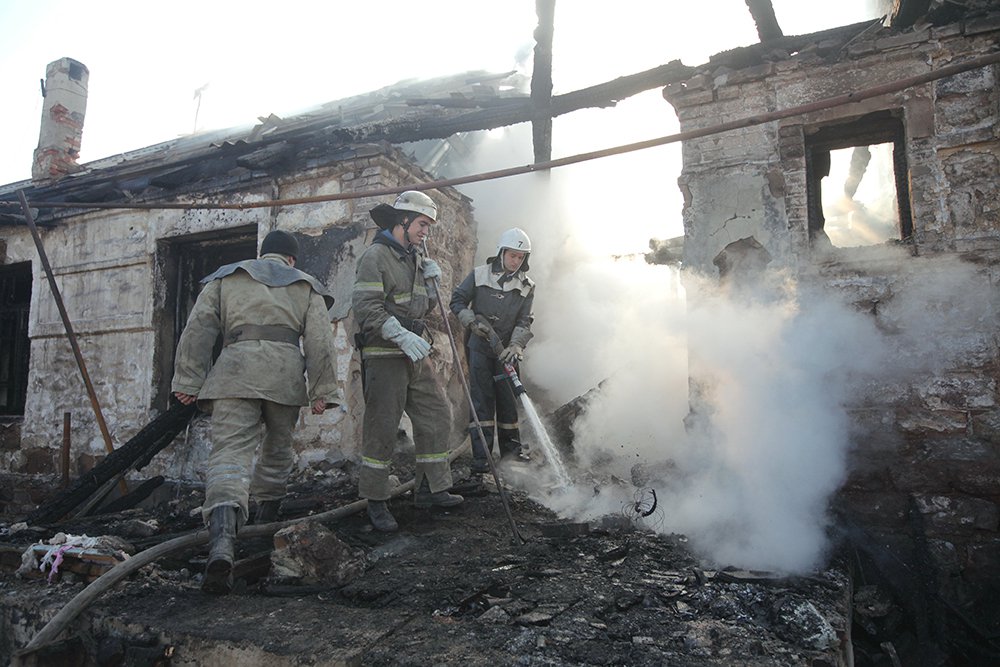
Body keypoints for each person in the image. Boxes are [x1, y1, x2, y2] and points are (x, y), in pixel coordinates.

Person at [171, 229, 343, 593]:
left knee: (229, 454)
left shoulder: (226, 277)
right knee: (277, 453)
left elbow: (198, 328)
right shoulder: (306, 285)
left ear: (262, 254)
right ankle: (262, 536)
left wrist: (188, 380)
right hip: (283, 378)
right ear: (291, 260)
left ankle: (222, 543)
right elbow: (319, 342)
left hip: (235, 373)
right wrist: (322, 390)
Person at [352, 190, 464, 533]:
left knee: (437, 413)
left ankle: (430, 488)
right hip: (385, 353)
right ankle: (377, 500)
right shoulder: (376, 257)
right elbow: (367, 308)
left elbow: (422, 309)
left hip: (415, 351)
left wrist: (432, 287)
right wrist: (399, 334)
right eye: (421, 224)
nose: (425, 232)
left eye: (427, 226)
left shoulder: (414, 259)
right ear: (402, 220)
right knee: (382, 426)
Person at [449, 228, 535, 474]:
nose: (516, 261)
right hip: (480, 349)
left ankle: (511, 456)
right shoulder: (479, 275)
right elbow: (457, 301)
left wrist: (516, 345)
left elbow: (524, 320)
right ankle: (482, 459)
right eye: (512, 255)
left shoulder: (527, 286)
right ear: (501, 252)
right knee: (482, 402)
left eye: (521, 257)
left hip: (507, 352)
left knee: (508, 402)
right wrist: (471, 321)